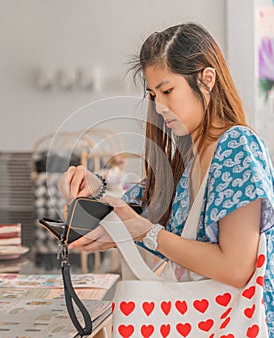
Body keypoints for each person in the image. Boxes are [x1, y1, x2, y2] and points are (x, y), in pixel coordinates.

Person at [58, 23, 274, 336]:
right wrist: (97, 187)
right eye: (153, 95)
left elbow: (237, 268)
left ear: (206, 79)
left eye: (167, 91)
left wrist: (146, 233)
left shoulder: (236, 146)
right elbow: (143, 208)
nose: (159, 107)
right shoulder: (191, 157)